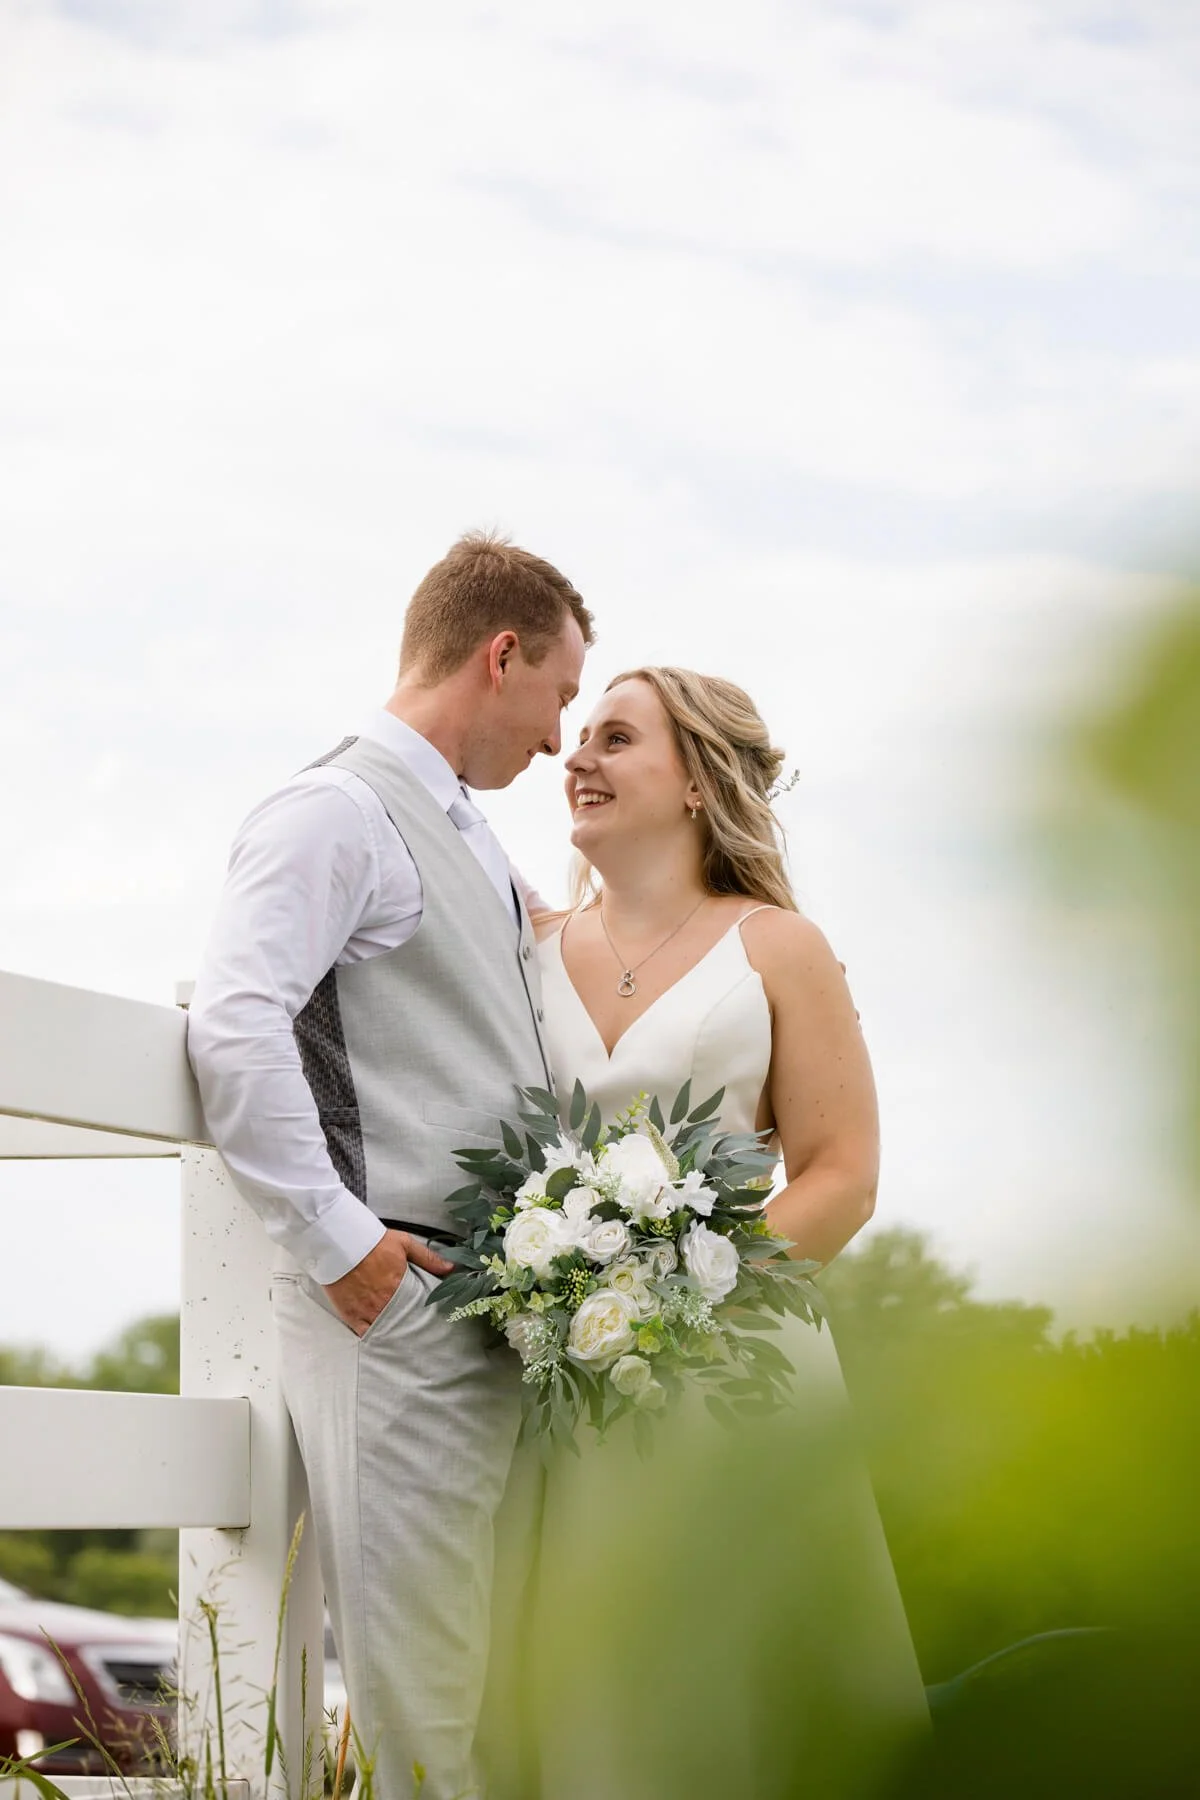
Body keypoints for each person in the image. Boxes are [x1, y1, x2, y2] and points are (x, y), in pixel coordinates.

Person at [186, 531, 593, 1800]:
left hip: (498, 1318)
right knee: (422, 1707)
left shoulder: (473, 834)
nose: (558, 736)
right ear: (502, 653)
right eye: (562, 695)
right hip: (399, 1302)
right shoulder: (334, 811)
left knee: (493, 1696)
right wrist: (338, 1243)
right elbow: (238, 1023)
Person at [526, 666, 930, 1800]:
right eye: (579, 738)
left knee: (738, 1691)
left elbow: (841, 1177)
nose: (577, 758)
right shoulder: (526, 949)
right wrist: (568, 1309)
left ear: (697, 779)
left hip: (734, 1372)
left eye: (615, 738)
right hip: (555, 1381)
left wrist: (674, 1304)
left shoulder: (778, 949)